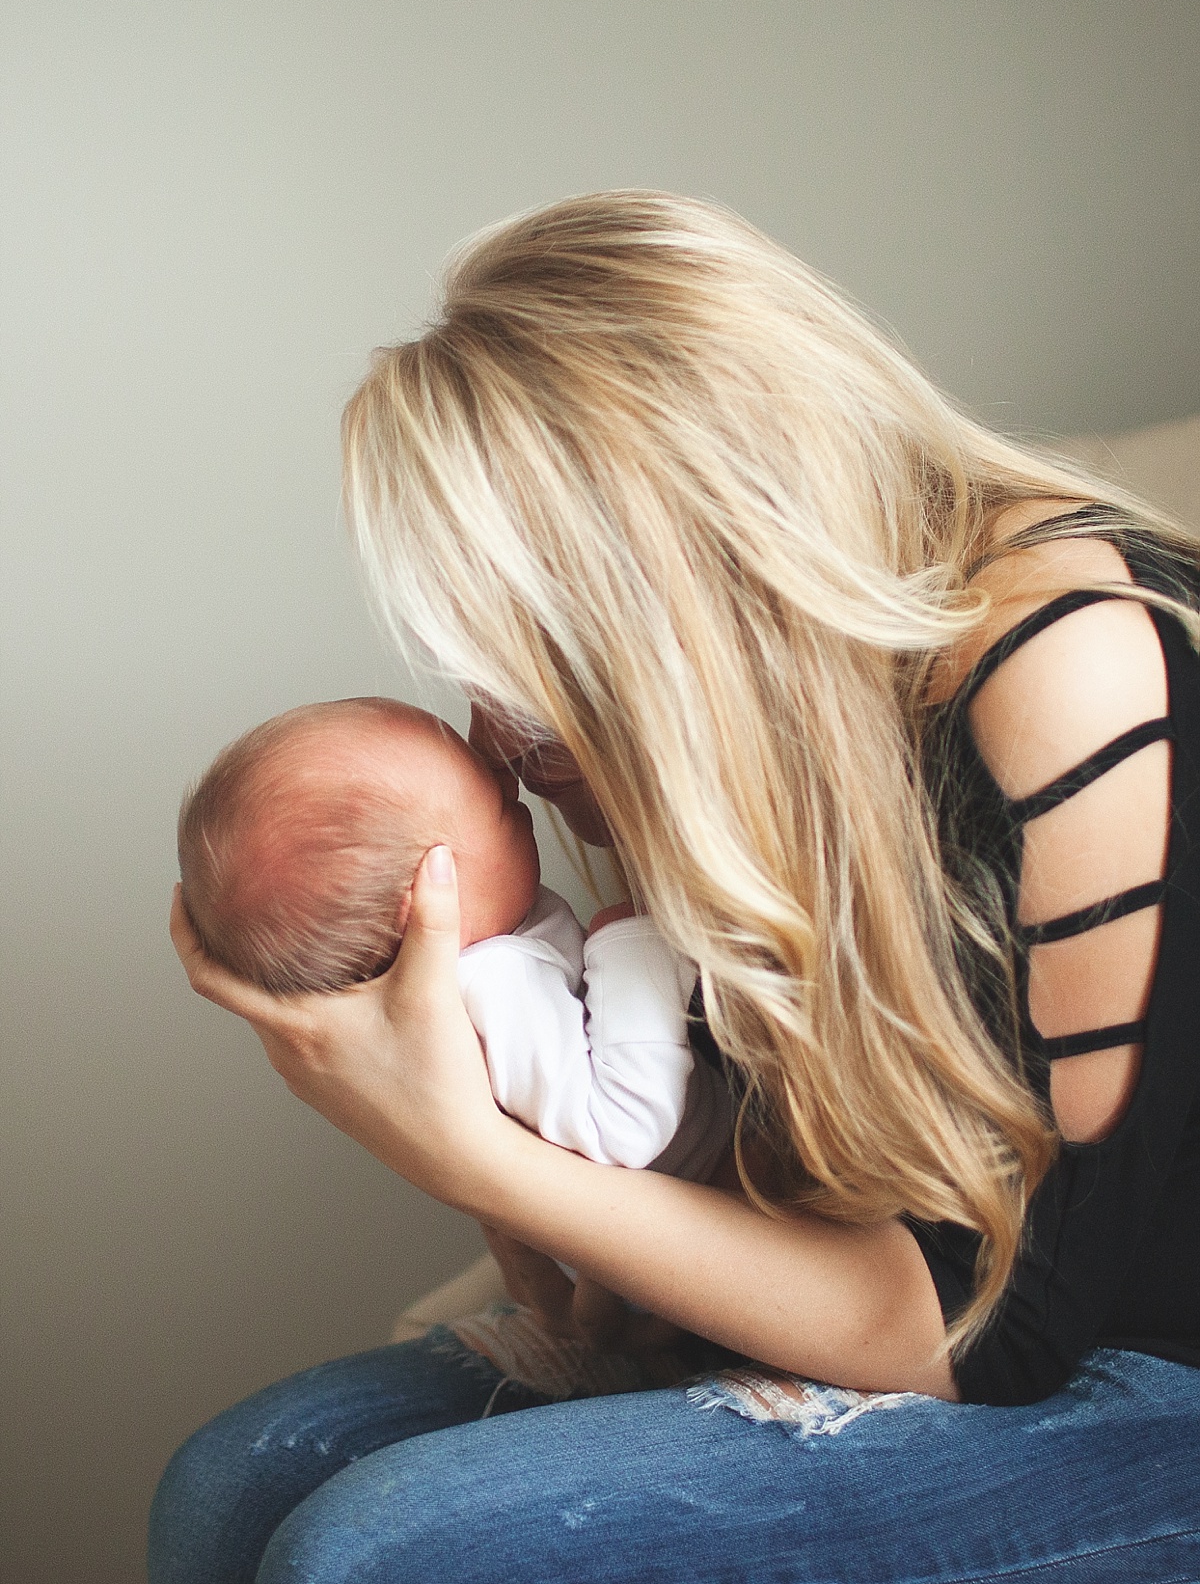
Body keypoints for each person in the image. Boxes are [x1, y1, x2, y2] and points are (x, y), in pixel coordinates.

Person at [150, 192, 1200, 1583]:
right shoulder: (745, 737)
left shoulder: (1070, 673)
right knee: (230, 1482)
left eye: (522, 671)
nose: (494, 746)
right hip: (891, 1295)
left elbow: (989, 1332)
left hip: (1131, 1365)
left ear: (673, 604)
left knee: (374, 1550)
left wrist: (465, 1149)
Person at [176, 696, 732, 1178]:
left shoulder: (485, 975)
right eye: (495, 806)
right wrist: (634, 951)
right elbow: (625, 1128)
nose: (501, 771)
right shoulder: (492, 982)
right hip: (709, 1188)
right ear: (429, 901)